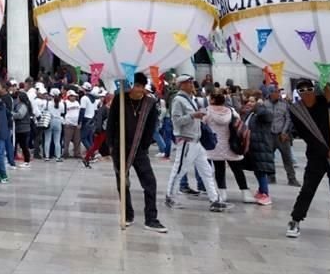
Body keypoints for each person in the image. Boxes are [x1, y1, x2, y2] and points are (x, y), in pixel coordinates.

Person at [108, 73, 167, 232]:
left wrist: (144, 146)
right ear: (130, 86)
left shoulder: (149, 103)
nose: (139, 90)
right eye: (136, 85)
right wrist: (111, 145)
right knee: (123, 183)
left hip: (139, 149)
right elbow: (111, 123)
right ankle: (127, 214)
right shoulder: (120, 99)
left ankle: (151, 218)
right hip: (120, 147)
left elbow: (150, 127)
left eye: (141, 86)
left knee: (150, 182)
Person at [285, 79, 330, 238]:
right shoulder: (297, 110)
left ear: (314, 90)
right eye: (302, 91)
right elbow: (307, 136)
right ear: (299, 94)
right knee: (308, 188)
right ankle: (295, 220)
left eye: (309, 89)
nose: (307, 93)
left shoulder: (326, 101)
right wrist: (326, 151)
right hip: (317, 155)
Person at [164, 75, 225, 212]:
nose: (192, 85)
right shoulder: (178, 100)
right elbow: (177, 121)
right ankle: (170, 197)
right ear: (182, 85)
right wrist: (193, 116)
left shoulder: (191, 99)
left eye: (191, 82)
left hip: (196, 141)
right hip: (186, 140)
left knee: (207, 171)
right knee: (179, 169)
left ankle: (214, 199)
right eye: (188, 83)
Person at [204, 90, 251, 205]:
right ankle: (245, 193)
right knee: (237, 170)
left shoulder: (207, 112)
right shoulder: (231, 111)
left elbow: (203, 125)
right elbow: (239, 124)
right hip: (231, 145)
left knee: (219, 170)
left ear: (213, 100)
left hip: (215, 145)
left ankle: (222, 194)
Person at [242, 93, 273, 205]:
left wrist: (259, 106)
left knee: (261, 171)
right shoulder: (251, 114)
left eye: (252, 101)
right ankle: (261, 190)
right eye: (248, 101)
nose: (249, 103)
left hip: (261, 146)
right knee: (257, 170)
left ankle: (265, 193)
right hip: (252, 146)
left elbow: (268, 116)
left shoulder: (262, 112)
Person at [265, 84, 300, 186]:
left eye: (278, 92)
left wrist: (284, 132)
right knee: (269, 158)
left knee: (287, 158)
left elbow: (288, 119)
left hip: (282, 135)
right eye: (276, 92)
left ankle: (292, 178)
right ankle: (271, 177)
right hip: (270, 135)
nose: (278, 94)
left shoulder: (284, 104)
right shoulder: (264, 104)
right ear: (270, 93)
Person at [83, 92, 112, 167]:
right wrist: (98, 131)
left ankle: (87, 158)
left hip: (105, 131)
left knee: (97, 146)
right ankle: (87, 158)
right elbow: (99, 121)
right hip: (101, 131)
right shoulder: (103, 109)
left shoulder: (108, 108)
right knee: (96, 146)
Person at [12, 90, 33, 168]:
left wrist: (12, 114)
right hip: (20, 128)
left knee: (24, 145)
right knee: (20, 145)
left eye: (18, 97)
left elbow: (20, 115)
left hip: (23, 129)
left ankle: (27, 161)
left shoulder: (23, 105)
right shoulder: (20, 104)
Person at [43, 89, 65, 161]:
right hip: (58, 121)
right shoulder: (62, 103)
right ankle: (58, 157)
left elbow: (44, 110)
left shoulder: (48, 103)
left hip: (50, 120)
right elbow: (62, 112)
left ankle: (47, 156)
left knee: (47, 139)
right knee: (57, 141)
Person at [62, 89, 82, 159]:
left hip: (76, 124)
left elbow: (80, 113)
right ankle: (65, 153)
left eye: (74, 96)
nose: (73, 97)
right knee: (67, 140)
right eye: (72, 96)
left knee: (77, 140)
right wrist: (65, 122)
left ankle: (77, 154)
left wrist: (80, 122)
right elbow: (63, 113)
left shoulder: (77, 102)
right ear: (69, 96)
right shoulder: (65, 103)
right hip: (68, 124)